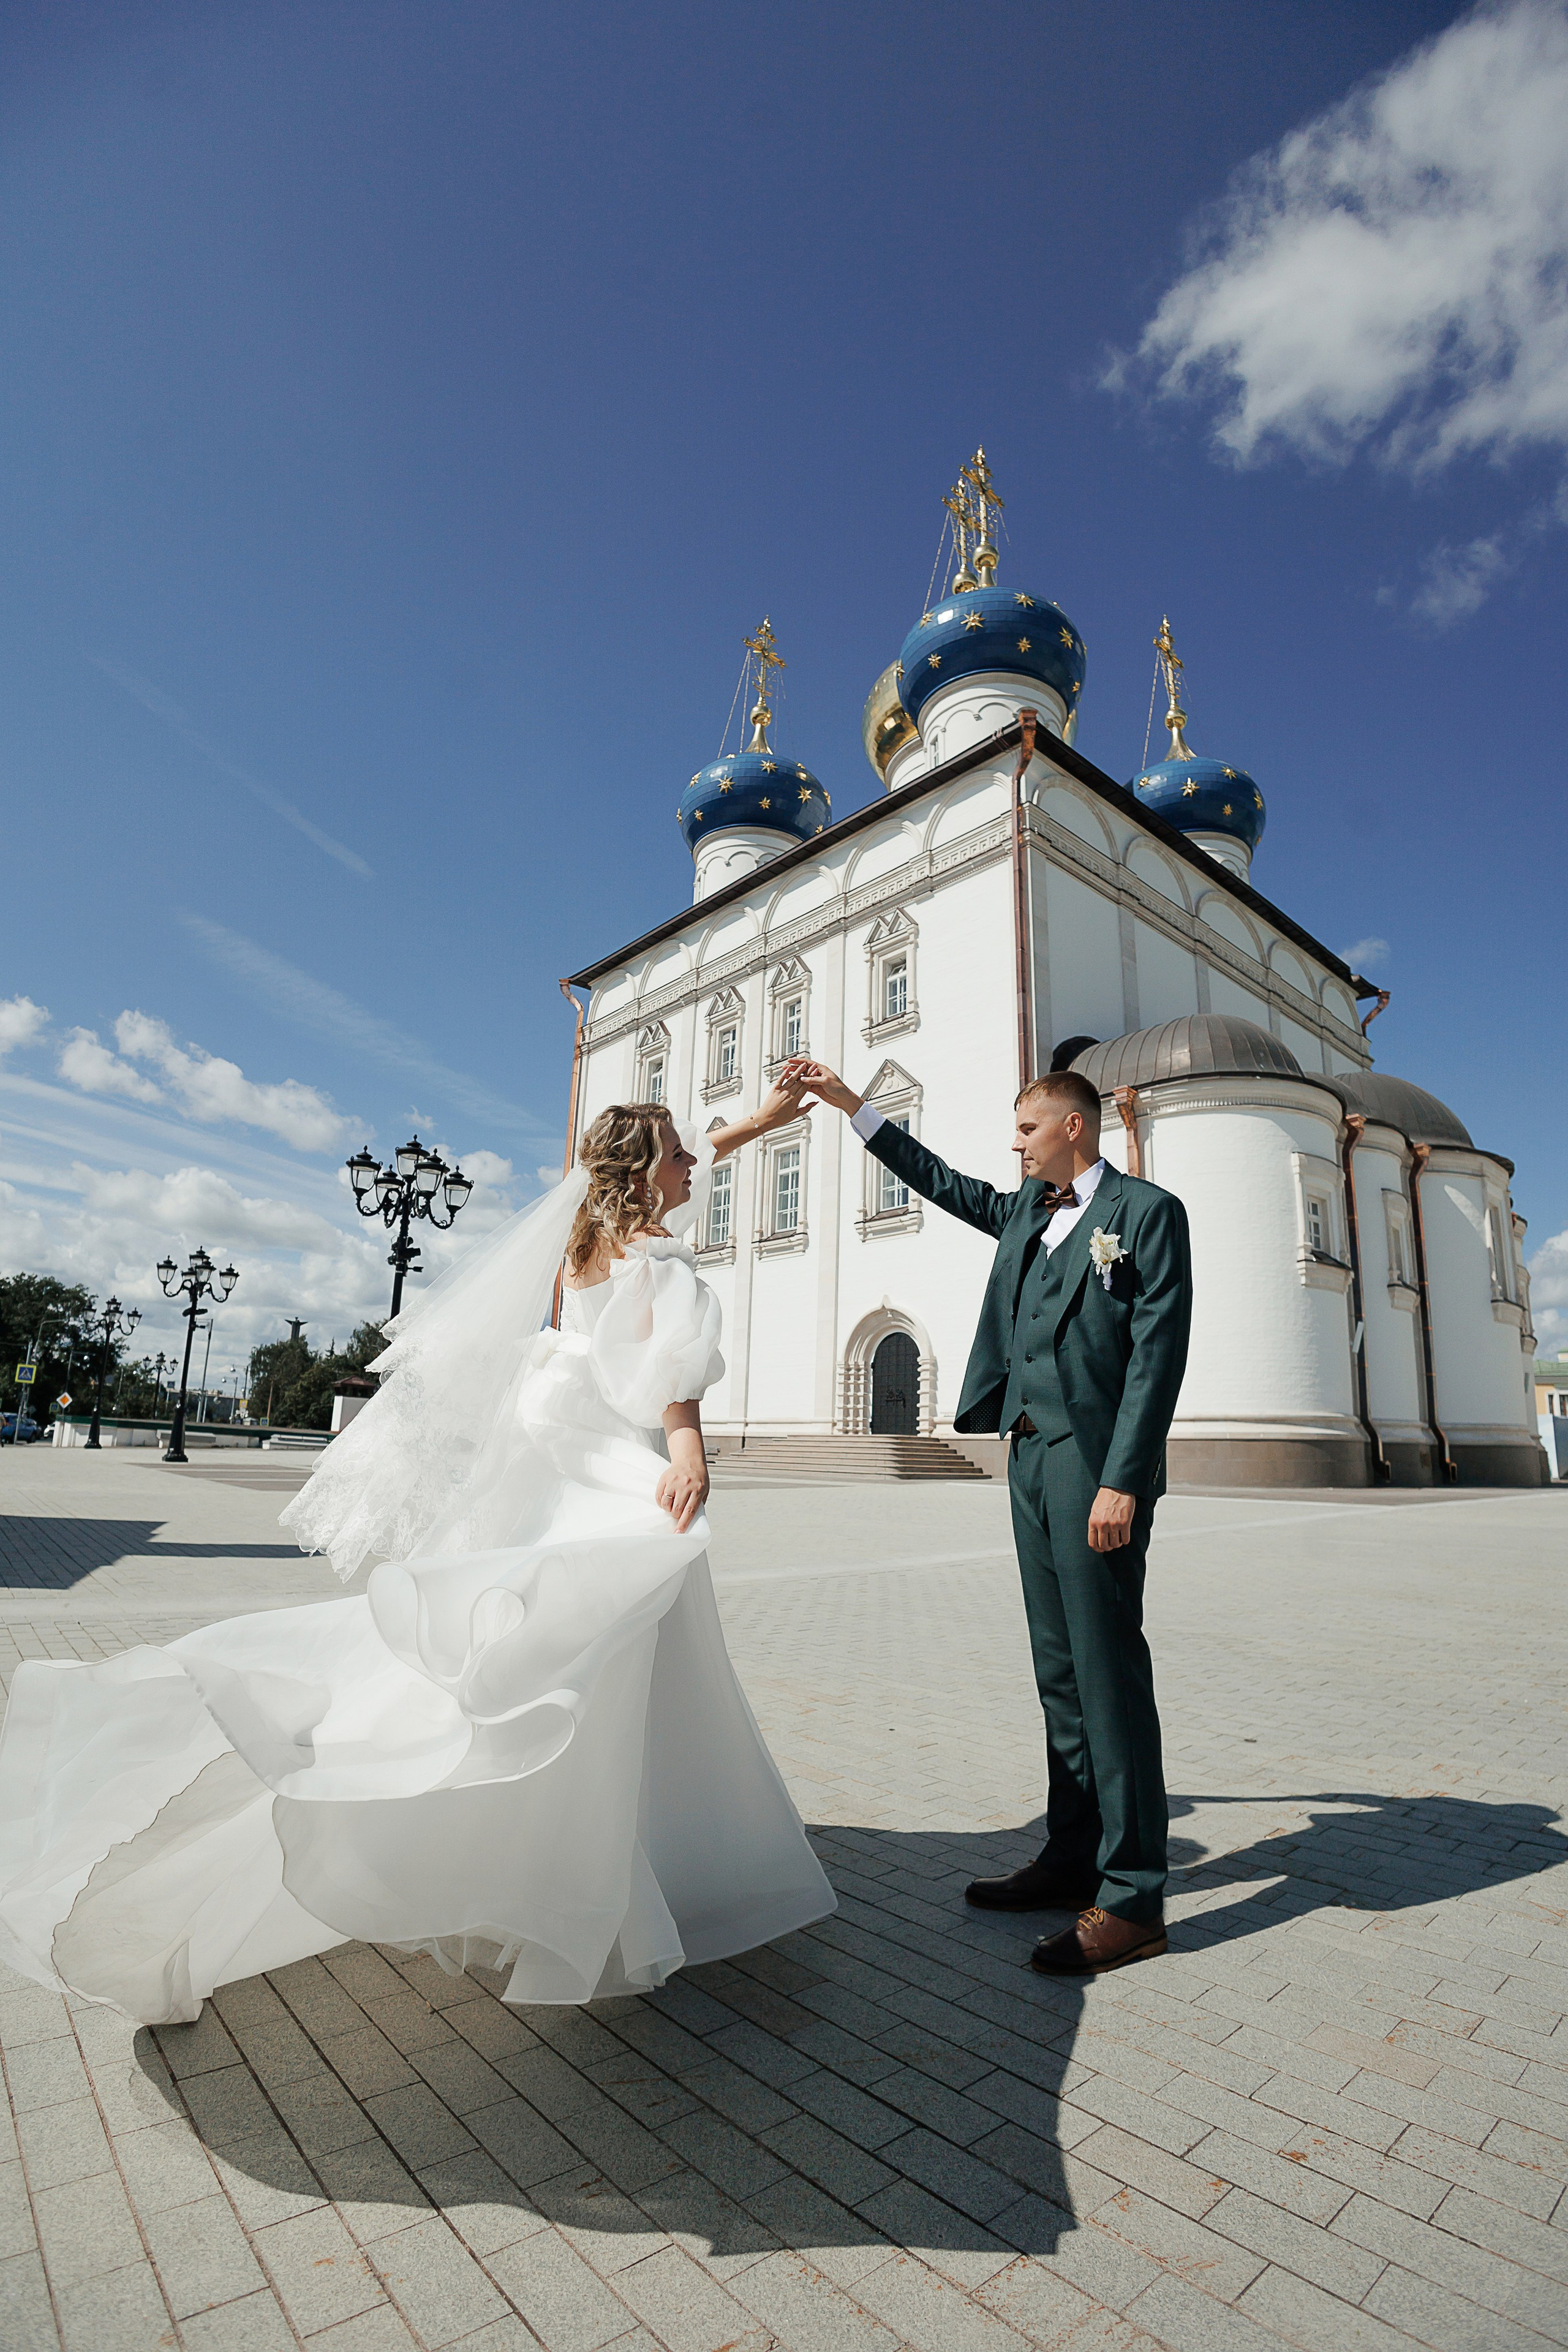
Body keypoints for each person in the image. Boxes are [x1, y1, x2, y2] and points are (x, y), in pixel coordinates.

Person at [0, 1080, 834, 2025]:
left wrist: (759, 1124)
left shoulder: (586, 1250)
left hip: (573, 1471)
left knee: (561, 1663)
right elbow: (665, 1374)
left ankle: (584, 1854)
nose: (697, 1165)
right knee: (622, 1662)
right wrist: (689, 1452)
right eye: (681, 1157)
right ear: (644, 1180)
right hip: (629, 1473)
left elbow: (682, 1182)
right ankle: (624, 1864)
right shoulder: (662, 1260)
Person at [793, 1058, 1191, 1975]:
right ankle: (1070, 1857)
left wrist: (1124, 1480)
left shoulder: (1146, 1215)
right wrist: (855, 1108)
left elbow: (1155, 1357)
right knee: (1059, 1673)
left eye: (1025, 1131)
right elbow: (938, 1181)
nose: (1013, 1147)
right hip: (1028, 1457)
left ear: (1074, 1129)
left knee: (1107, 1671)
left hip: (1096, 1467)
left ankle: (1133, 1896)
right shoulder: (1024, 1210)